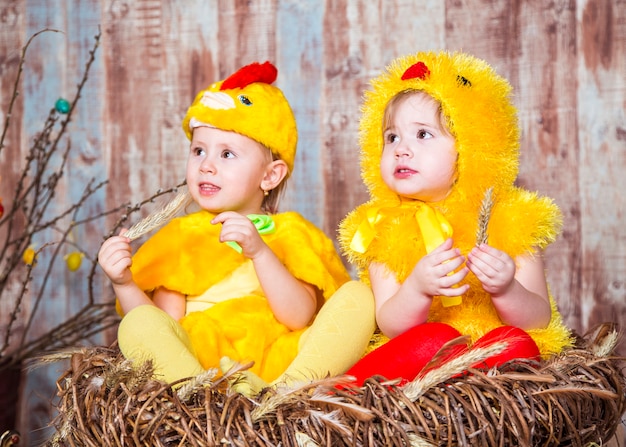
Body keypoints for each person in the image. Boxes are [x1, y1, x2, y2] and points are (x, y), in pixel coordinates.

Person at [98, 61, 375, 388]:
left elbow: (299, 316)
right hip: (203, 370)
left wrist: (259, 252)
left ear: (270, 175)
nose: (207, 166)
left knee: (358, 298)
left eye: (227, 154)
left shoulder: (291, 234)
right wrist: (124, 283)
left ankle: (286, 394)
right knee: (137, 325)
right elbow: (164, 324)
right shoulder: (182, 239)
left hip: (279, 364)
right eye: (199, 151)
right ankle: (198, 403)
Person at [338, 51, 573, 386]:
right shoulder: (381, 225)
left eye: (422, 134)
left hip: (488, 366)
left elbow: (538, 320)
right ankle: (345, 393)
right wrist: (418, 289)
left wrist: (506, 288)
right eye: (391, 137)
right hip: (417, 368)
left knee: (518, 343)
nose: (401, 149)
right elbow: (389, 324)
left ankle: (471, 404)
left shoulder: (509, 219)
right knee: (435, 339)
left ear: (470, 146)